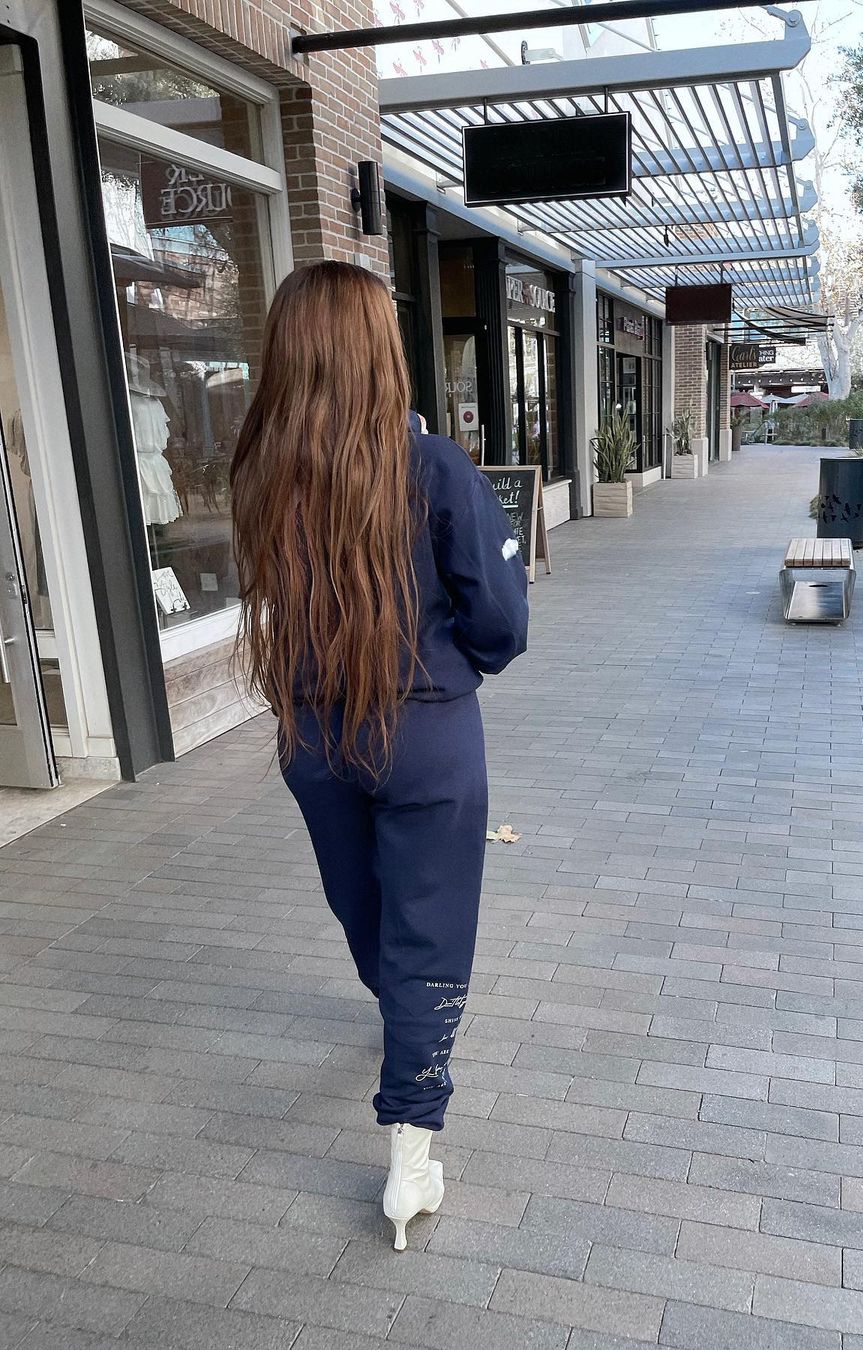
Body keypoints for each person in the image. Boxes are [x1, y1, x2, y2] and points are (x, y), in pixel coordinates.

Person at [229, 261, 529, 1250]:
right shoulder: (434, 467)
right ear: (378, 353)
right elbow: (502, 620)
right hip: (425, 732)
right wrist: (450, 665)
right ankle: (409, 1158)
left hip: (314, 735)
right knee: (427, 932)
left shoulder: (260, 473)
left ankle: (400, 1028)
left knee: (364, 907)